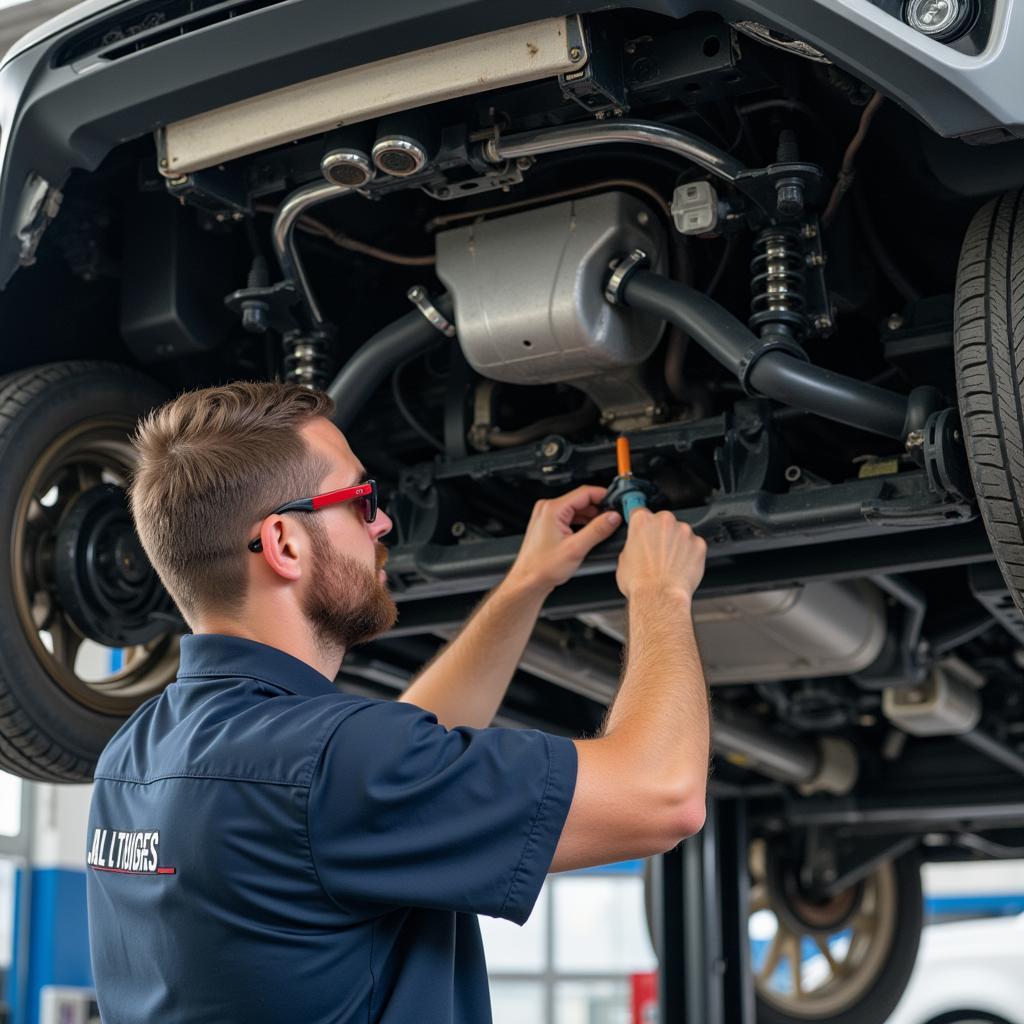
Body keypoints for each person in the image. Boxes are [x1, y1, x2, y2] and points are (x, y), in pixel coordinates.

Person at [85, 380, 709, 1024]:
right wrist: (660, 591)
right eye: (360, 501)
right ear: (284, 544)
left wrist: (527, 583)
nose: (382, 522)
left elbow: (383, 786)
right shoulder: (330, 765)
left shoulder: (133, 756)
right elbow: (665, 795)